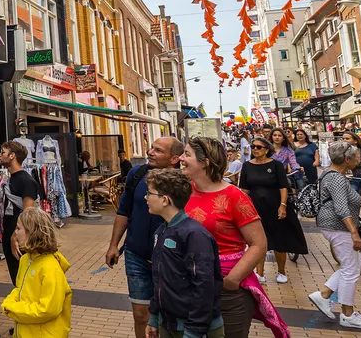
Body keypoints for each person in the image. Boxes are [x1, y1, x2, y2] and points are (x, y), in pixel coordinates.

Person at [179, 137, 287, 338]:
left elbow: (259, 243)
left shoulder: (234, 196)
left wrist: (232, 279)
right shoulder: (183, 192)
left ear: (205, 162)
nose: (180, 158)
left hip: (226, 293)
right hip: (188, 288)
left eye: (187, 154)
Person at [105, 136, 184, 338]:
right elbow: (123, 211)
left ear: (175, 158)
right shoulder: (137, 174)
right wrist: (114, 245)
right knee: (140, 314)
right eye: (151, 148)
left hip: (170, 258)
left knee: (169, 313)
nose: (150, 152)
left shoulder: (183, 182)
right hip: (136, 254)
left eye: (158, 150)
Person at [145, 168, 223, 338]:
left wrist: (194, 331)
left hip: (193, 329)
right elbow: (159, 279)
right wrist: (154, 317)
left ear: (165, 200)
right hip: (168, 324)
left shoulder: (194, 235)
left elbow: (204, 286)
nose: (146, 198)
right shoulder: (162, 231)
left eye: (149, 193)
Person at [308, 141, 361, 330]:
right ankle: (347, 315)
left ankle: (323, 294)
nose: (359, 159)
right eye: (356, 156)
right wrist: (354, 232)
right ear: (347, 159)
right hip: (338, 226)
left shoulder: (332, 175)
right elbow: (340, 207)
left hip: (335, 226)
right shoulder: (337, 178)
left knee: (354, 266)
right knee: (351, 270)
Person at [239, 136, 306, 285]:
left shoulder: (276, 165)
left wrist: (282, 205)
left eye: (258, 147)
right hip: (255, 208)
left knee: (279, 239)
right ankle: (260, 273)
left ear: (267, 150)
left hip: (275, 206)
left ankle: (281, 271)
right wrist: (241, 207)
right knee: (258, 242)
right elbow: (244, 189)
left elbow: (283, 186)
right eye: (253, 147)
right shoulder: (247, 166)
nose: (255, 149)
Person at [0, 206, 73, 338]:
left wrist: (13, 308)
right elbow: (19, 289)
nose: (15, 233)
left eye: (18, 228)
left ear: (32, 232)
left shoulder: (50, 267)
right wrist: (9, 303)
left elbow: (48, 310)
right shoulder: (26, 259)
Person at [0, 141, 45, 284]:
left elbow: (28, 213)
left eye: (3, 152)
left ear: (12, 155)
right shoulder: (10, 179)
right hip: (9, 236)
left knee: (24, 279)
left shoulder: (26, 180)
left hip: (21, 239)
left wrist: (15, 237)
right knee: (17, 278)